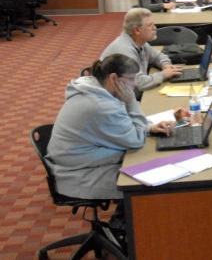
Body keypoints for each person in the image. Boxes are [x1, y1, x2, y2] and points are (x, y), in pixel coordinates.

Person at [46, 54, 180, 200]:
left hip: (85, 161)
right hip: (79, 174)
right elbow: (135, 140)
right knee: (155, 183)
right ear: (113, 78)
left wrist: (149, 127)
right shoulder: (100, 106)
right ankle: (127, 217)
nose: (134, 84)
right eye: (130, 79)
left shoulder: (95, 87)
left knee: (152, 159)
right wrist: (131, 101)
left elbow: (124, 123)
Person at [100, 8, 182, 92]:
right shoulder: (124, 50)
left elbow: (157, 56)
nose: (155, 28)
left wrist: (165, 65)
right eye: (150, 25)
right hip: (115, 100)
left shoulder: (140, 42)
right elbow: (138, 83)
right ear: (137, 30)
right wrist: (164, 74)